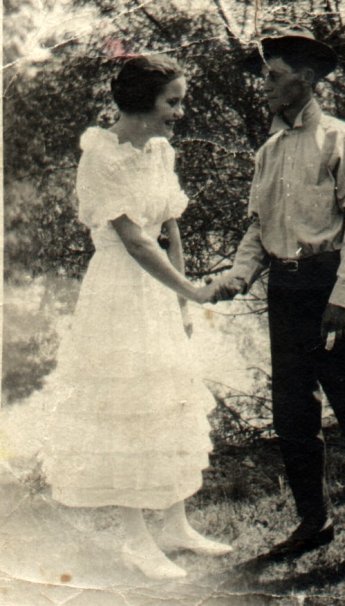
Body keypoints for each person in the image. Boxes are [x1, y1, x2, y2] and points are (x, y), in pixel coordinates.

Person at [212, 26, 345, 569]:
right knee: (292, 415)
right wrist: (236, 278)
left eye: (274, 78)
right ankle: (314, 522)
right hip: (285, 292)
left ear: (303, 81)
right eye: (265, 78)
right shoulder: (269, 150)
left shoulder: (343, 140)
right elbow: (259, 229)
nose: (265, 88)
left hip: (331, 290)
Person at [42, 54, 232, 580]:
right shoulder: (98, 155)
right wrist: (192, 291)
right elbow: (135, 240)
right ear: (143, 100)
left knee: (167, 399)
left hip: (157, 294)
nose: (179, 111)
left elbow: (169, 230)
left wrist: (180, 298)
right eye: (172, 101)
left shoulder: (160, 152)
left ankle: (175, 524)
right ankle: (135, 537)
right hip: (119, 294)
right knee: (127, 407)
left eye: (181, 100)